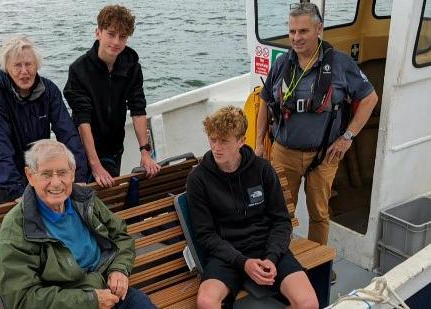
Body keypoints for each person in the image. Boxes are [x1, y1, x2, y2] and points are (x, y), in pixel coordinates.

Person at [256, 3, 378, 247]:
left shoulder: (341, 64)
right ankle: (282, 256)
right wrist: (259, 143)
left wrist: (348, 137)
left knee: (320, 215)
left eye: (303, 31)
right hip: (284, 154)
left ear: (319, 29)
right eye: (292, 32)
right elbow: (264, 101)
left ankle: (318, 264)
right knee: (280, 212)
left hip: (323, 157)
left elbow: (369, 98)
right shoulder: (281, 64)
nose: (296, 38)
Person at [0, 139, 155, 309]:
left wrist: (119, 269)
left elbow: (120, 236)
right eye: (46, 174)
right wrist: (90, 300)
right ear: (30, 176)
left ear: (73, 174)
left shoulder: (85, 200)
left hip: (108, 293)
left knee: (140, 302)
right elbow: (22, 301)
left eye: (62, 173)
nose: (56, 182)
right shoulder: (15, 228)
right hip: (71, 304)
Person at [187, 106, 318, 309]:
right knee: (206, 302)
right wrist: (243, 263)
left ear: (241, 141)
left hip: (266, 247)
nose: (216, 147)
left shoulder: (262, 170)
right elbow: (206, 235)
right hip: (227, 254)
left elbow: (281, 221)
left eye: (224, 140)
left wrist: (272, 257)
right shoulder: (198, 179)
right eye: (213, 139)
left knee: (308, 303)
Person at [0, 35, 88, 205]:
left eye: (29, 64)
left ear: (37, 65)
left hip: (37, 174)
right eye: (17, 65)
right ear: (6, 68)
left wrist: (79, 176)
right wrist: (19, 193)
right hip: (7, 181)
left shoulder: (49, 90)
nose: (24, 71)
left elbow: (68, 133)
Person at [64, 5, 160, 188]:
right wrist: (94, 164)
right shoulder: (79, 70)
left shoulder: (131, 66)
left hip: (115, 147)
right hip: (83, 151)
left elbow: (138, 109)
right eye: (111, 34)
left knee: (111, 196)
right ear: (98, 32)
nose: (116, 41)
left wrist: (145, 152)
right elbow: (82, 119)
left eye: (122, 36)